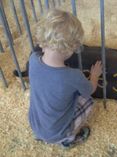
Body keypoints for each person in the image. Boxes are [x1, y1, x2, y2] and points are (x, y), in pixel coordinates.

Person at [28, 9, 102, 148]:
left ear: (42, 39)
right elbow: (90, 90)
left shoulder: (32, 60)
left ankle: (41, 136)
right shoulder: (73, 75)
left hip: (35, 125)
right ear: (71, 49)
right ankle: (68, 139)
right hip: (57, 132)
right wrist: (94, 75)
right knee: (88, 101)